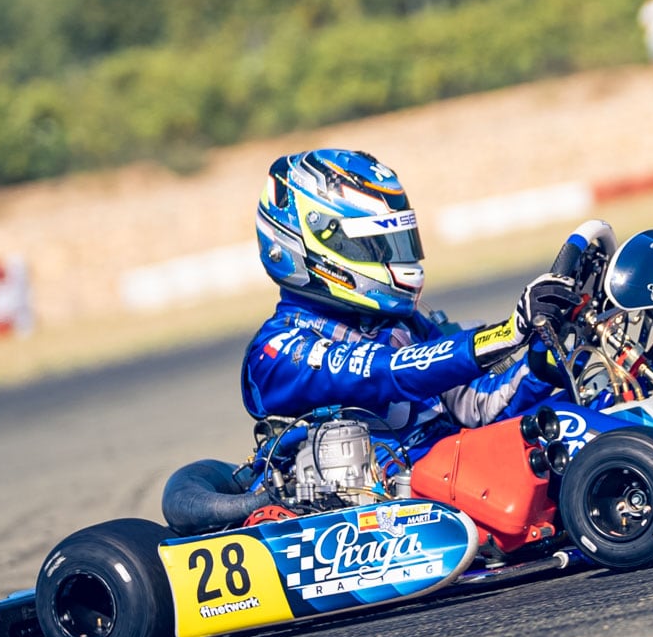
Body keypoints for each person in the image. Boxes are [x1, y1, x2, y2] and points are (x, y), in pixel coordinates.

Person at [240, 148, 580, 466]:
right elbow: (388, 372)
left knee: (584, 417)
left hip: (452, 475)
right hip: (376, 509)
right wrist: (507, 333)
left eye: (397, 242)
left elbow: (480, 406)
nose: (394, 257)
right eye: (374, 246)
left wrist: (544, 355)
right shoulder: (278, 350)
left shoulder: (400, 325)